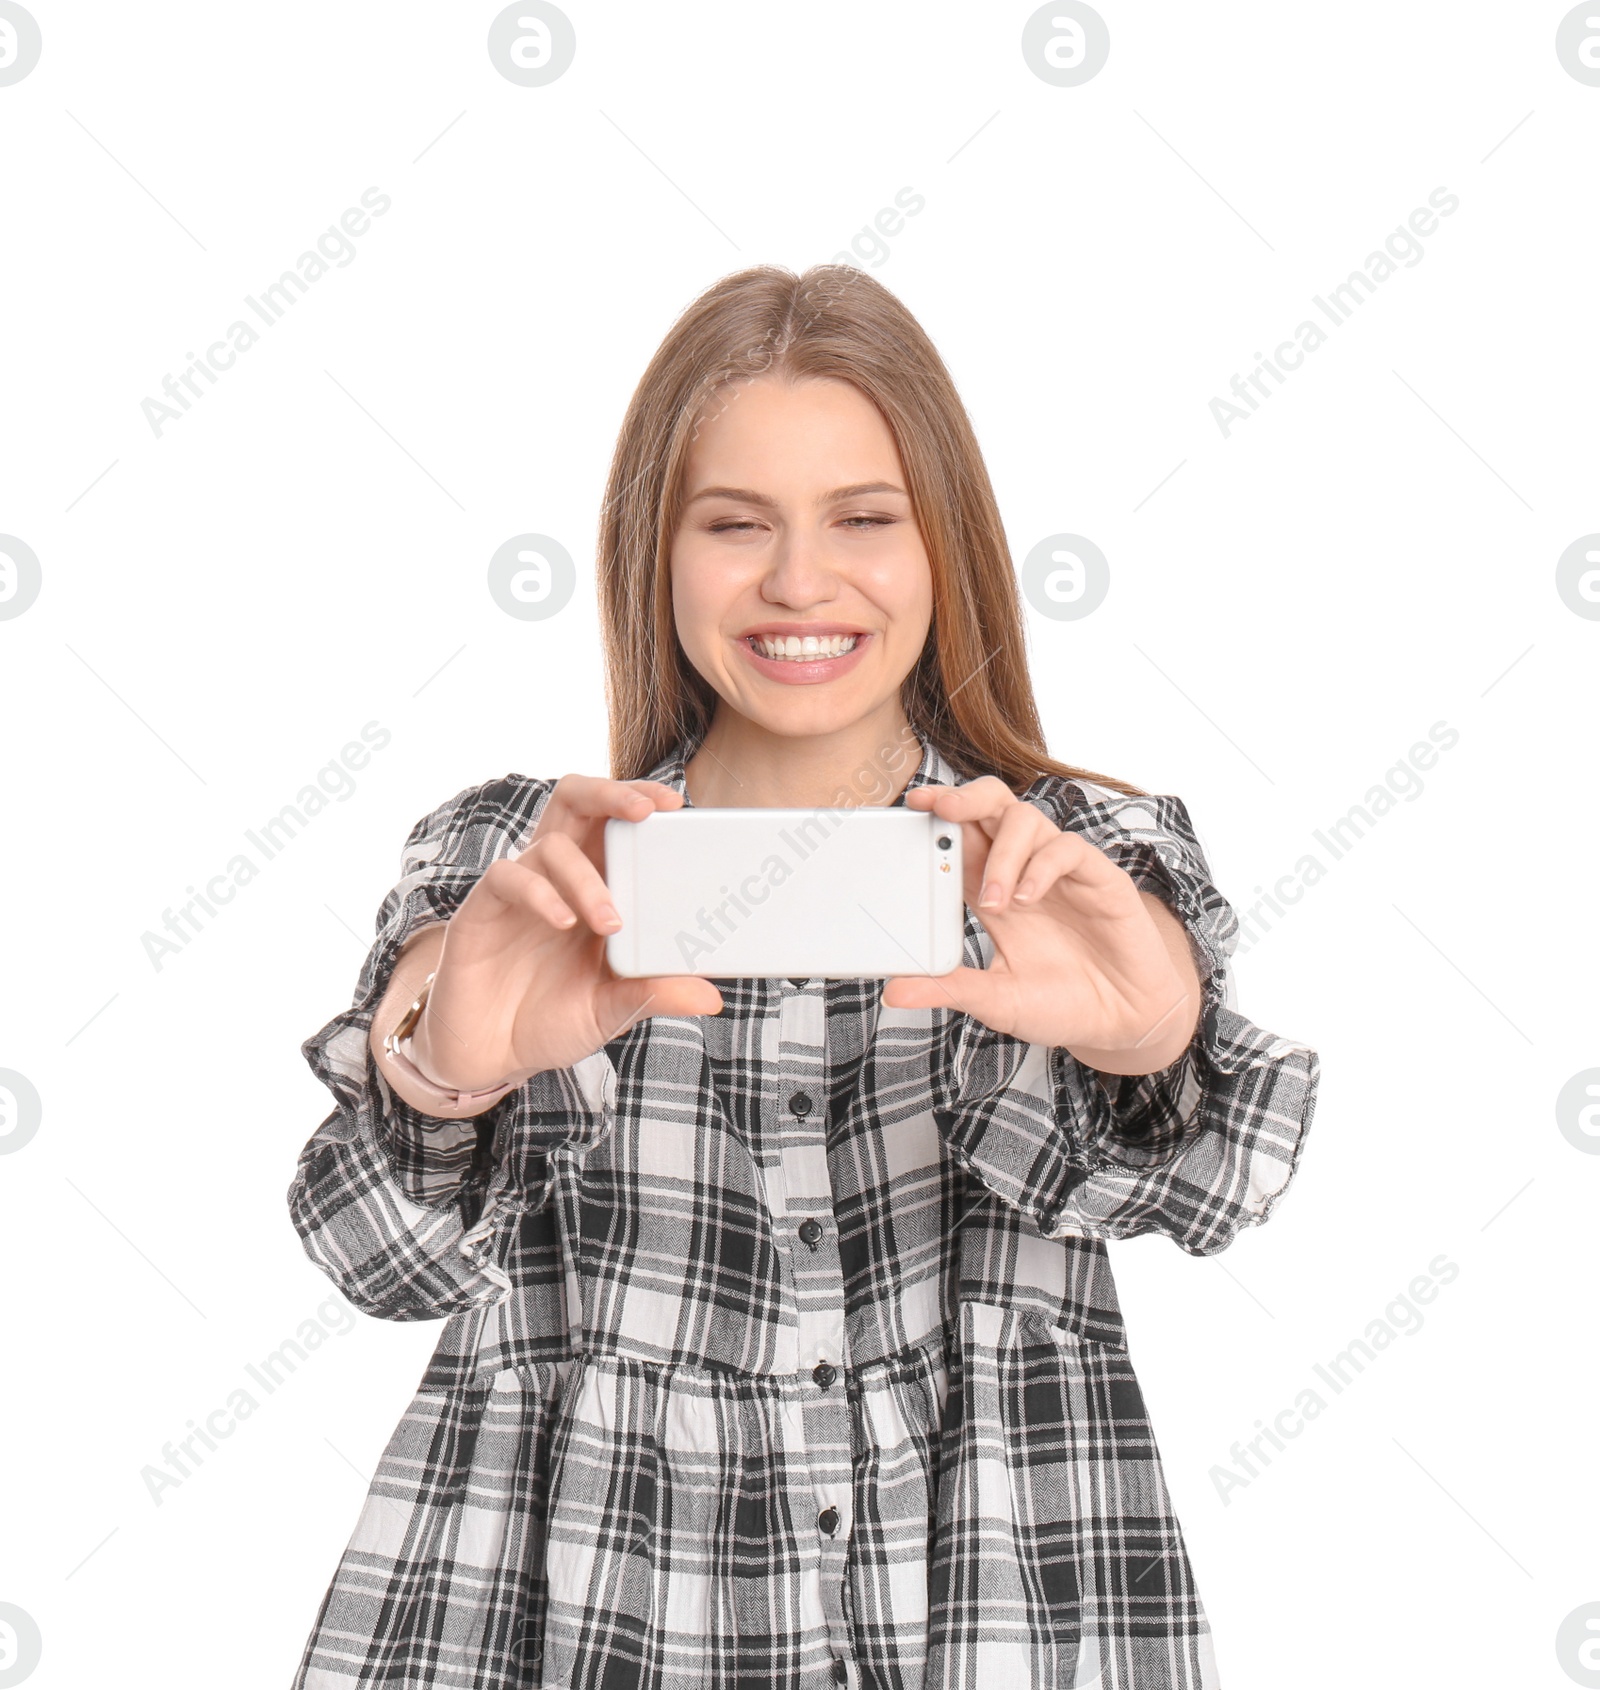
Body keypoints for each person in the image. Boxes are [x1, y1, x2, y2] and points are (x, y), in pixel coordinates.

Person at [286, 264, 1319, 1690]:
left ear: (946, 544)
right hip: (569, 1609)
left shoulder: (1070, 864)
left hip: (996, 1601)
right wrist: (443, 1063)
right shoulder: (527, 861)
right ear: (656, 550)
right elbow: (380, 1261)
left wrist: (1153, 1036)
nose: (797, 581)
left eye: (863, 519)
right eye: (734, 525)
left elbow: (1220, 1188)